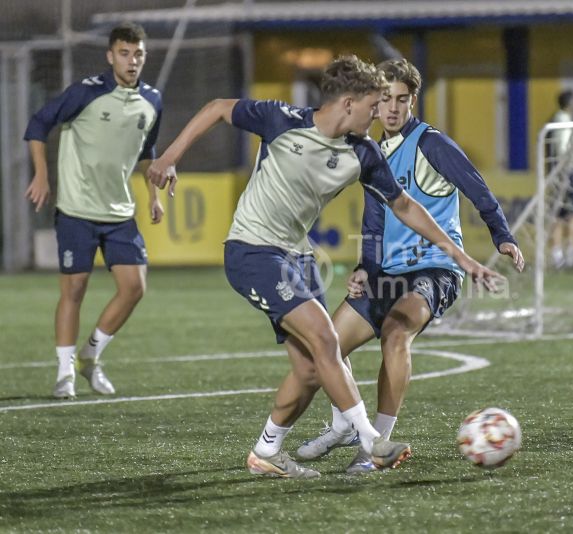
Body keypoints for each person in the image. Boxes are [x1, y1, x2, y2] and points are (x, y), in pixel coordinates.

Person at [146, 55, 504, 479]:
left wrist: (461, 257)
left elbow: (404, 206)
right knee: (324, 338)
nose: (379, 116)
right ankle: (372, 441)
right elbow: (218, 108)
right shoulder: (282, 120)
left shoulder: (364, 152)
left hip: (299, 257)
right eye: (374, 106)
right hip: (254, 249)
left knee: (312, 369)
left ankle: (267, 450)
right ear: (349, 103)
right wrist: (169, 156)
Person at [293, 58, 524, 474]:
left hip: (434, 270)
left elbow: (477, 187)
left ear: (413, 100)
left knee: (397, 333)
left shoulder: (431, 143)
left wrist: (501, 235)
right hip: (385, 273)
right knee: (323, 346)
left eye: (402, 99)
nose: (393, 109)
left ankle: (374, 446)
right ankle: (345, 425)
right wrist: (365, 267)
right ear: (374, 103)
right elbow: (375, 219)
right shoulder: (372, 151)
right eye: (385, 100)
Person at [23, 22, 164, 399]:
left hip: (119, 212)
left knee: (134, 288)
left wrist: (154, 195)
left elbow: (148, 152)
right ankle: (64, 372)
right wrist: (41, 174)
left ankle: (91, 356)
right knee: (75, 288)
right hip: (76, 209)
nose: (132, 61)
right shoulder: (85, 92)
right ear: (110, 55)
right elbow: (38, 124)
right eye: (124, 53)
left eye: (138, 54)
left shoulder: (152, 100)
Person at [546, 89, 573, 269]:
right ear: (570, 103)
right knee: (572, 214)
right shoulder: (563, 120)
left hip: (555, 173)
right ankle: (569, 254)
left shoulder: (553, 119)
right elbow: (562, 149)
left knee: (557, 215)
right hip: (566, 173)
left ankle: (558, 254)